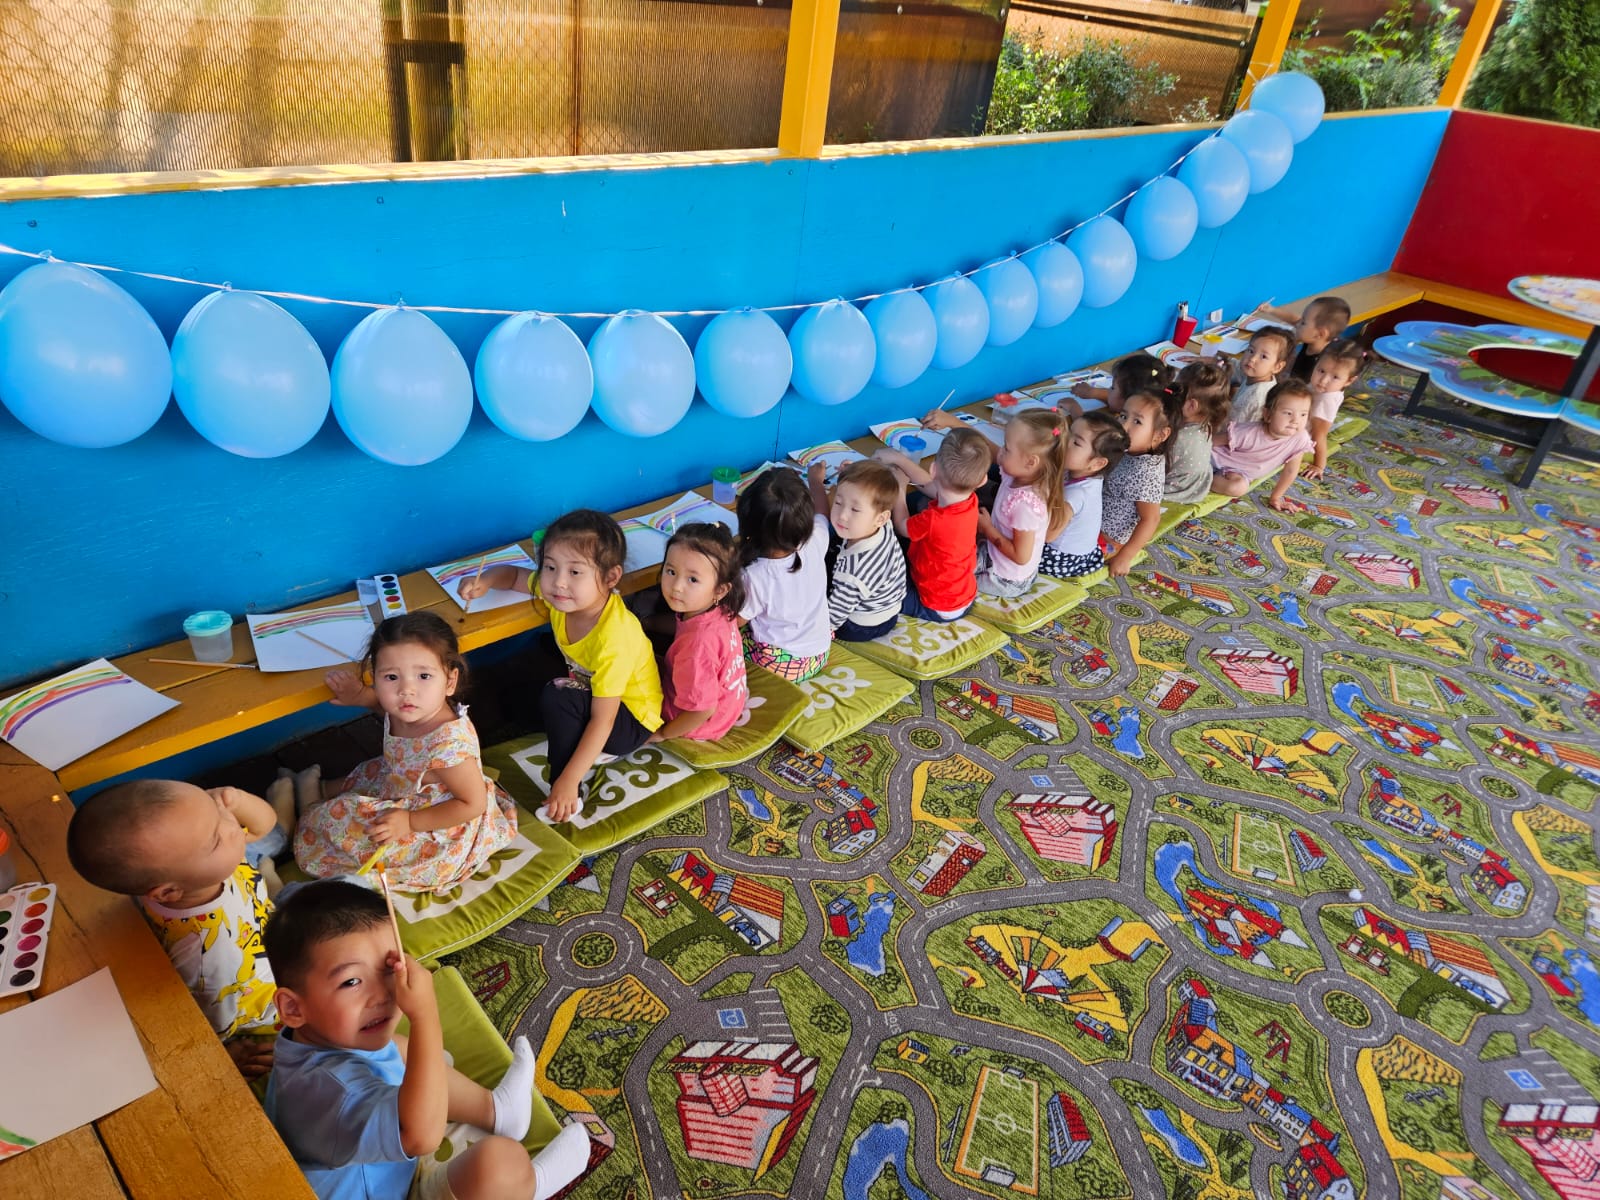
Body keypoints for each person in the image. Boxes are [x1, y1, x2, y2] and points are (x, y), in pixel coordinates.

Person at [263, 880, 591, 1200]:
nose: (384, 994)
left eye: (389, 969)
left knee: (397, 1047)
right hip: (390, 1188)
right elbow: (421, 1136)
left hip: (384, 1168)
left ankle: (496, 1111)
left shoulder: (306, 1038)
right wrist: (425, 1016)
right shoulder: (335, 1091)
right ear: (292, 1008)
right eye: (351, 982)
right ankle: (530, 1188)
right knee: (502, 1165)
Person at [66, 775, 309, 1078]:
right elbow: (214, 1014)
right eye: (216, 839)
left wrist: (235, 799)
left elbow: (261, 825)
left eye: (214, 807)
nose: (232, 826)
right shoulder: (210, 956)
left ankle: (271, 872)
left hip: (261, 921)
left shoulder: (196, 868)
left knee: (271, 839)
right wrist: (225, 1049)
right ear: (168, 892)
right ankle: (274, 872)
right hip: (265, 993)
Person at [461, 511, 662, 822]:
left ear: (610, 578)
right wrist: (484, 581)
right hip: (592, 691)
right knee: (515, 699)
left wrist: (568, 780)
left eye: (575, 571)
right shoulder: (562, 595)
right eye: (550, 566)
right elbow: (512, 576)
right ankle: (572, 736)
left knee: (558, 695)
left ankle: (567, 793)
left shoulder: (614, 638)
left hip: (630, 720)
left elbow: (603, 719)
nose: (559, 582)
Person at [299, 612, 519, 884]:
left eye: (424, 675)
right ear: (374, 677)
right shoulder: (414, 708)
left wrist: (410, 822)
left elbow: (473, 804)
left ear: (450, 681)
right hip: (403, 783)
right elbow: (382, 707)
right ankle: (317, 794)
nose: (406, 690)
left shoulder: (450, 748)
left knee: (351, 828)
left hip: (437, 823)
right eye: (391, 677)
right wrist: (360, 696)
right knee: (364, 777)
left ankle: (309, 807)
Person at [925, 408, 1063, 596]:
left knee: (942, 573)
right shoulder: (1021, 470)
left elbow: (1021, 557)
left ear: (1031, 462)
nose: (1001, 450)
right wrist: (952, 422)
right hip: (997, 554)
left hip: (1005, 579)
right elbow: (987, 447)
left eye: (1006, 447)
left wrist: (987, 528)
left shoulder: (1025, 506)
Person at [875, 426, 991, 621]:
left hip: (935, 605)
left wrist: (900, 489)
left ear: (933, 469)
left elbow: (902, 526)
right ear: (982, 481)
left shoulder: (935, 520)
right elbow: (929, 485)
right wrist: (899, 459)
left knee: (881, 586)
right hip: (964, 597)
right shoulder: (970, 500)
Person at [647, 523, 749, 743]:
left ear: (720, 590)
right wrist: (648, 623)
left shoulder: (697, 648)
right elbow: (685, 628)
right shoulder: (718, 609)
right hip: (729, 703)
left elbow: (702, 710)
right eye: (671, 571)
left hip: (699, 721)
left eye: (692, 579)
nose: (676, 586)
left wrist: (663, 733)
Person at [736, 467, 832, 681]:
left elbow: (735, 621)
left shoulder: (754, 575)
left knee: (726, 640)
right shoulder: (815, 538)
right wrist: (816, 481)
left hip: (782, 665)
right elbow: (822, 513)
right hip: (819, 654)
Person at [807, 459, 907, 641]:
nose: (842, 515)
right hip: (887, 607)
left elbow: (830, 619)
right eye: (838, 502)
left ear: (881, 518)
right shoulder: (882, 524)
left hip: (860, 625)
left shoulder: (853, 572)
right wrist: (852, 474)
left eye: (855, 509)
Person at [1040, 411, 1126, 580]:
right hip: (1082, 553)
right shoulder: (1089, 475)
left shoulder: (1075, 495)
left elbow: (1048, 535)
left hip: (1058, 558)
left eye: (1076, 442)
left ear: (1097, 463)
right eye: (1068, 433)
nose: (1064, 441)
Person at [1212, 378, 1316, 511]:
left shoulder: (1300, 438)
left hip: (1238, 473)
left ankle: (1202, 480)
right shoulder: (1250, 433)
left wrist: (1276, 497)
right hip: (1213, 459)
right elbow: (1210, 442)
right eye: (1288, 413)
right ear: (1267, 415)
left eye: (1303, 414)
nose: (1295, 420)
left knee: (1238, 488)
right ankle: (1196, 476)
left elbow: (1291, 470)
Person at [1101, 389, 1172, 578]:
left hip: (1107, 540)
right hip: (1093, 522)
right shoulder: (1130, 450)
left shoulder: (1146, 472)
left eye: (1137, 421)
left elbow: (1151, 519)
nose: (1123, 425)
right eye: (1123, 416)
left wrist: (1125, 557)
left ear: (1160, 435)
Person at [1164, 361, 1233, 505]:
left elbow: (1154, 468)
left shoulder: (1177, 437)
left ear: (1191, 406)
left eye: (1176, 392)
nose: (1170, 394)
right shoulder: (1206, 424)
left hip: (1176, 492)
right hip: (1198, 487)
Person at [1302, 338, 1368, 480]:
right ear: (1317, 363)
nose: (1323, 380)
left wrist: (1319, 465)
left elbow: (1319, 435)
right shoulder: (1325, 388)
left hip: (1297, 436)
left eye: (1335, 377)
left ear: (1349, 380)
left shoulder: (1326, 399)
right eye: (1321, 371)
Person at [1254, 294, 1351, 382]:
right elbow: (1295, 320)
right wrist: (1271, 310)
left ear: (1320, 334)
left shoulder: (1316, 367)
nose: (1298, 324)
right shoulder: (1316, 337)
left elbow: (1296, 389)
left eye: (1303, 322)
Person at [1061, 352, 1170, 417]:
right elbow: (1117, 398)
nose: (1108, 390)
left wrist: (1074, 408)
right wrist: (1093, 392)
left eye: (1112, 388)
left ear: (1128, 400)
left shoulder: (1123, 428)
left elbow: (1088, 437)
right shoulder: (1152, 409)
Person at [1228, 327, 1294, 425]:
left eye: (1263, 356)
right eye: (1251, 351)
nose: (1252, 359)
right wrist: (1220, 360)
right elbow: (1236, 368)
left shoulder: (1255, 398)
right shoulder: (1259, 374)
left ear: (1277, 367)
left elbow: (1233, 429)